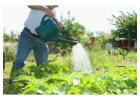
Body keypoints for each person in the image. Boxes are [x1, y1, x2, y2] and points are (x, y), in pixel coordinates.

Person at [10, 5, 62, 77]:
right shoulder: (40, 4)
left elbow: (59, 23)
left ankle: (40, 85)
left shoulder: (54, 12)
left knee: (43, 65)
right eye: (54, 5)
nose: (55, 7)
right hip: (27, 36)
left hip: (41, 40)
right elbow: (30, 5)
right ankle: (12, 82)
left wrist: (59, 24)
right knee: (20, 60)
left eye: (56, 6)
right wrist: (45, 9)